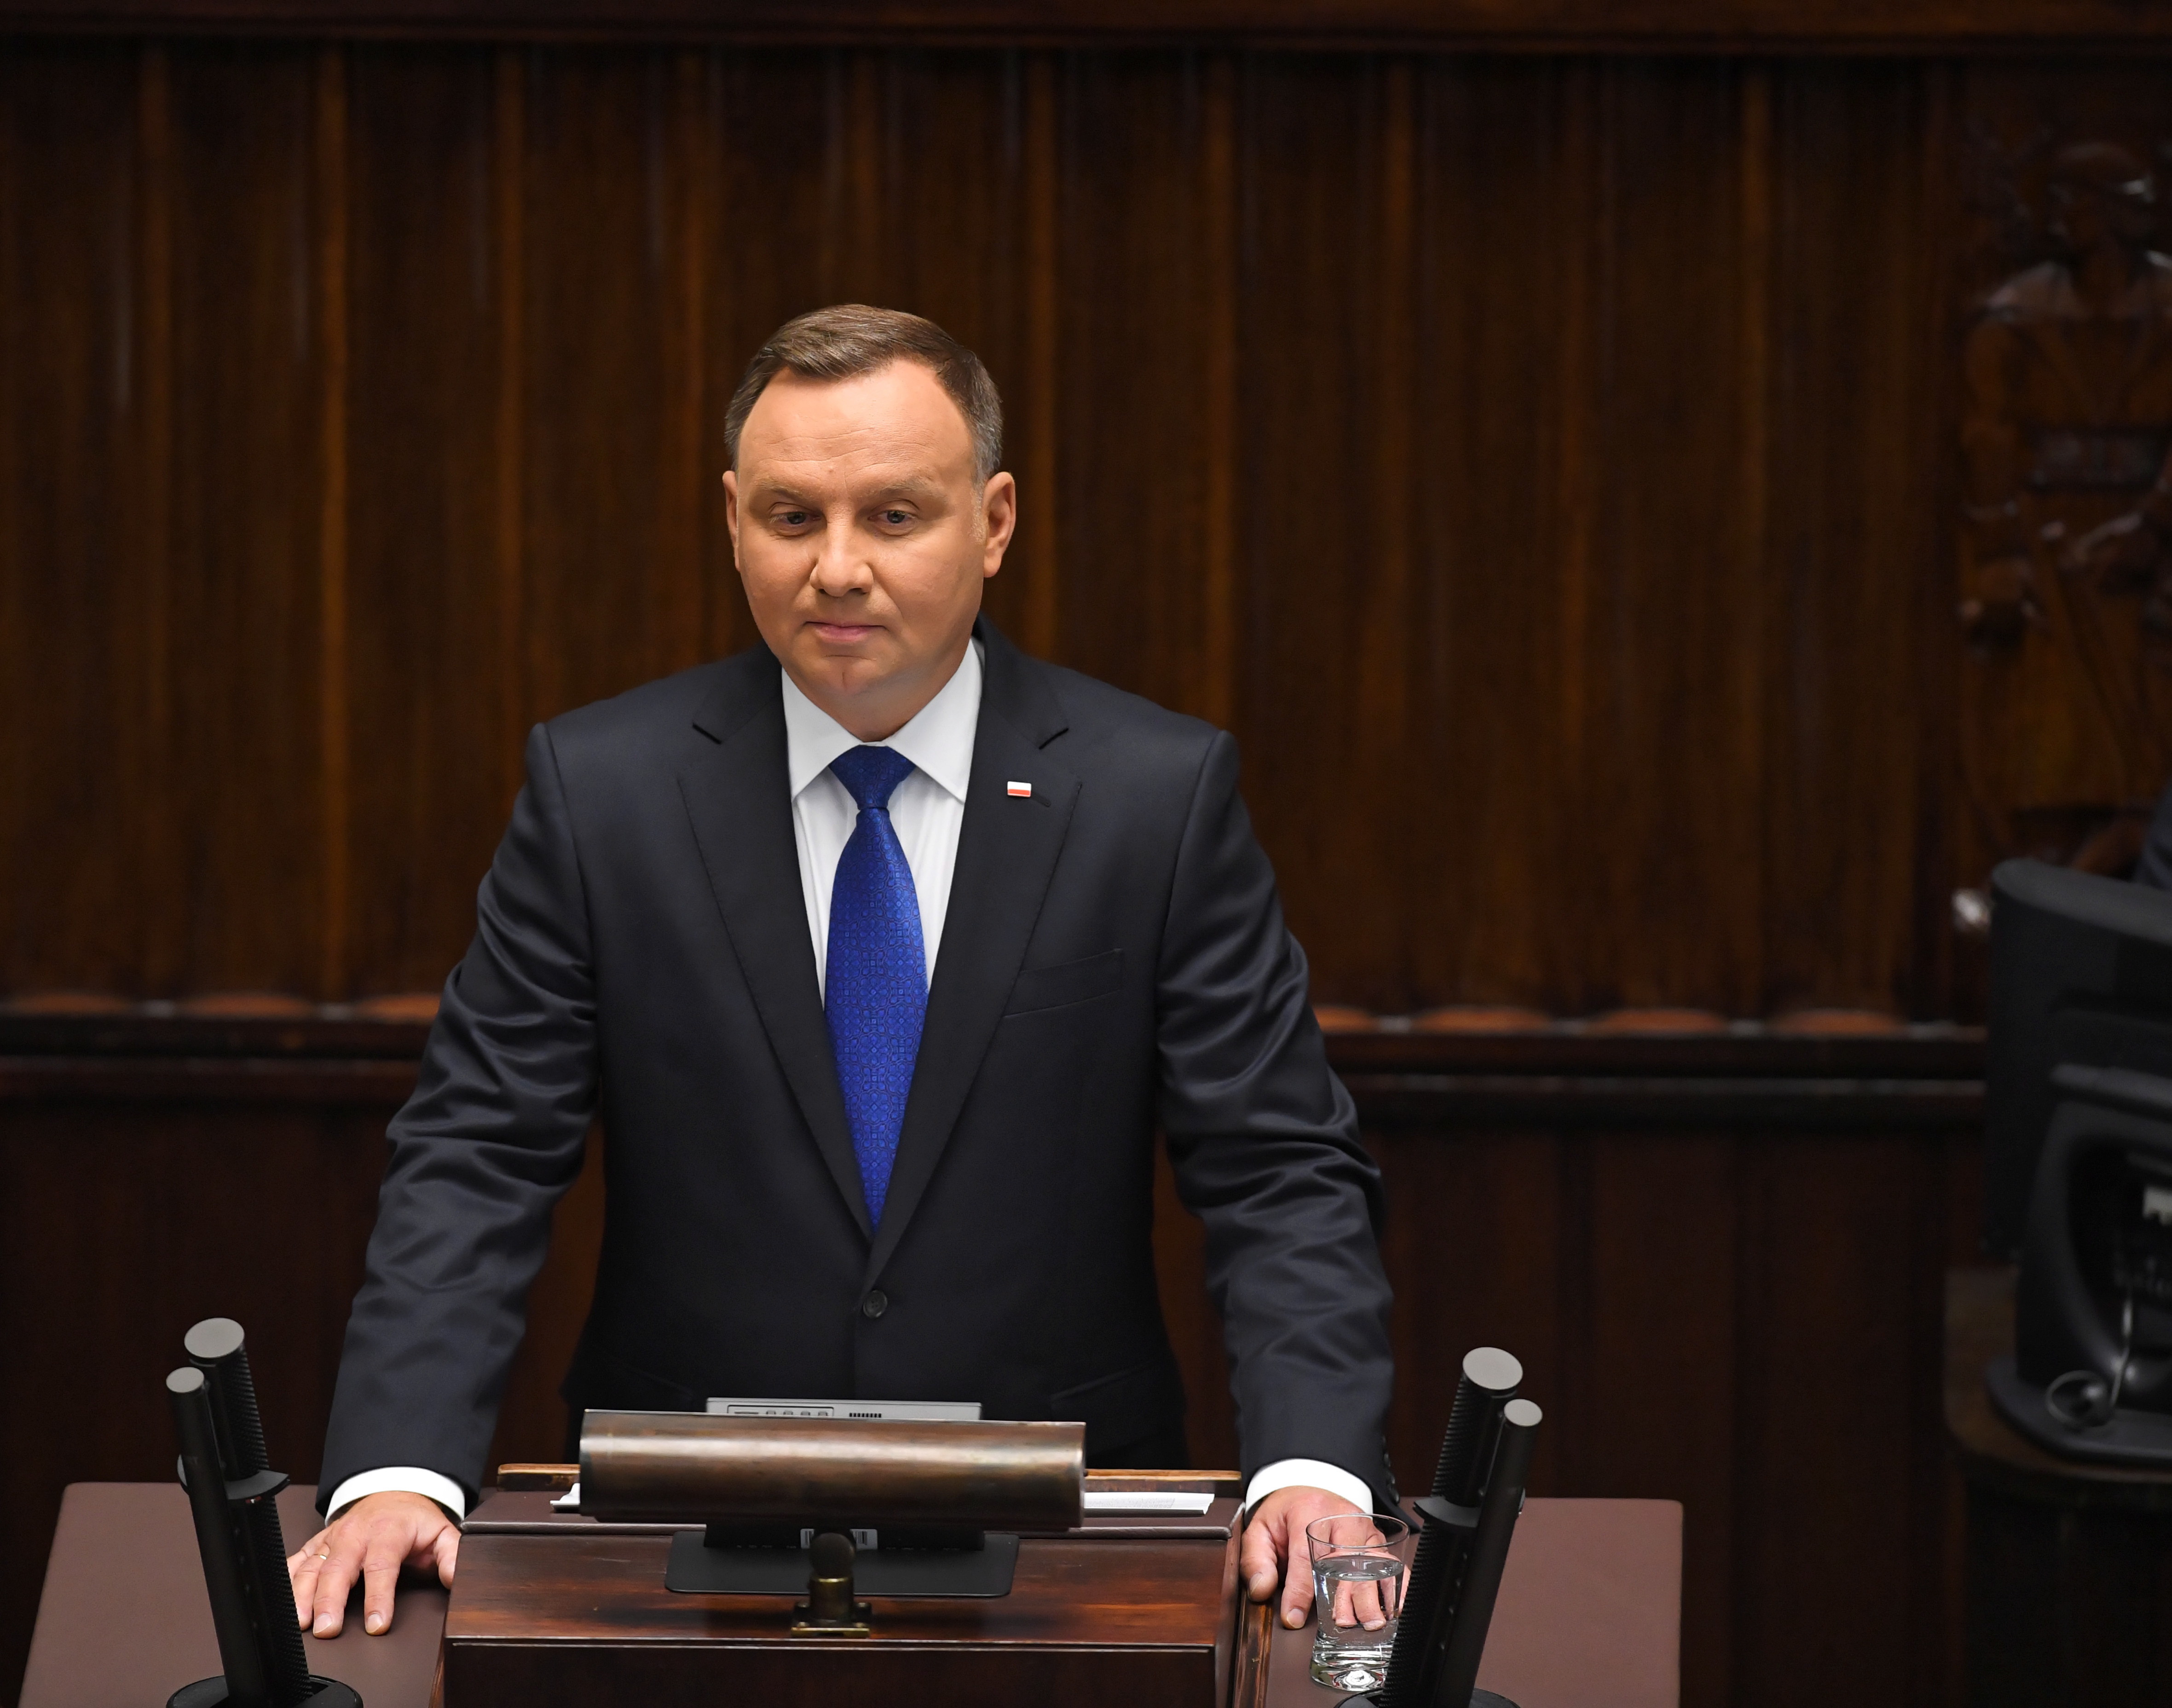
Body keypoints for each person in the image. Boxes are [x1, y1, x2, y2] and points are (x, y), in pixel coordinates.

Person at [292, 306, 1396, 1645]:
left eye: (893, 515)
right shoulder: (605, 794)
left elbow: (1279, 1168)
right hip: (678, 1542)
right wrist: (399, 1469)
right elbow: (476, 1151)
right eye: (791, 516)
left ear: (993, 523)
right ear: (731, 521)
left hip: (1061, 1541)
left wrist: (1316, 1470)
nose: (838, 568)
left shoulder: (1153, 798)